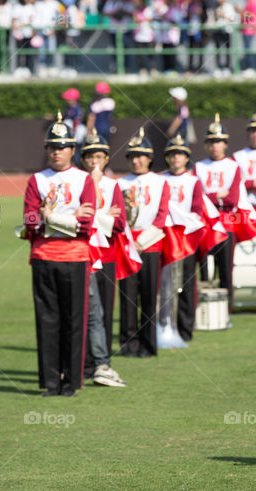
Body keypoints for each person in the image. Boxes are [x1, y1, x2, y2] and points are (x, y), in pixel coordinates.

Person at [21, 113, 96, 396]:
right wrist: (68, 218)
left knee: (74, 321)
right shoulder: (37, 179)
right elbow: (30, 219)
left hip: (76, 257)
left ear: (72, 150)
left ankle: (71, 382)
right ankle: (51, 382)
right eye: (52, 147)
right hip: (43, 256)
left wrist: (50, 217)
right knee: (47, 320)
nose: (56, 151)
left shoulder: (84, 179)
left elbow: (86, 223)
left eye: (62, 146)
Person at [79, 133, 129, 388]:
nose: (94, 162)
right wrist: (103, 215)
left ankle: (103, 362)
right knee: (85, 310)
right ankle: (85, 363)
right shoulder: (77, 182)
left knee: (105, 310)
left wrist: (97, 217)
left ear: (106, 158)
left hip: (106, 255)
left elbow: (120, 222)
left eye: (99, 157)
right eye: (90, 157)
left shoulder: (112, 185)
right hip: (83, 254)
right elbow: (77, 218)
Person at [117, 129, 170, 357]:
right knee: (127, 296)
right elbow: (118, 216)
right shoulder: (119, 183)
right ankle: (128, 343)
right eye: (132, 157)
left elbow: (162, 215)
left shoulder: (160, 182)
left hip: (151, 244)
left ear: (149, 158)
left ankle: (148, 343)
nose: (136, 161)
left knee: (149, 295)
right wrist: (130, 241)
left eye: (141, 156)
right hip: (126, 245)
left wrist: (141, 241)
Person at [196, 114, 247, 308]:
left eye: (218, 141)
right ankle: (203, 306)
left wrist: (208, 195)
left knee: (226, 268)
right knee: (203, 268)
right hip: (205, 224)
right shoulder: (199, 166)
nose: (214, 146)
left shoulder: (233, 166)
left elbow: (232, 199)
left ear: (225, 144)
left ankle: (227, 306)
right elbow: (197, 199)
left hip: (227, 223)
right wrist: (218, 195)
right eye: (211, 142)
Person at [162, 134, 208, 341]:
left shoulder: (193, 181)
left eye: (180, 154)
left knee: (186, 284)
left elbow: (198, 210)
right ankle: (163, 325)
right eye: (172, 154)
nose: (175, 158)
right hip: (164, 237)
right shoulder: (160, 179)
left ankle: (185, 328)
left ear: (186, 157)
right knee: (163, 284)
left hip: (185, 239)